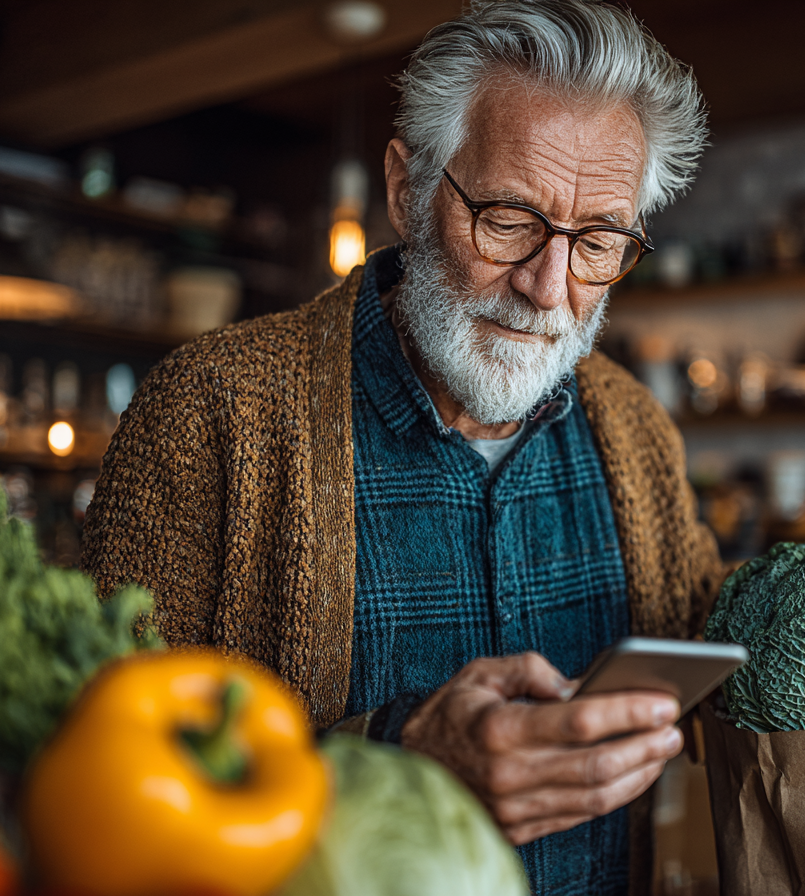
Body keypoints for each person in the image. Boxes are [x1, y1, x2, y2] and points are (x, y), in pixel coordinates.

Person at [81, 1, 723, 893]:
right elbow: (94, 777)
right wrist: (398, 760)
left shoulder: (638, 433)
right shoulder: (213, 413)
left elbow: (711, 649)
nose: (549, 289)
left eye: (599, 241)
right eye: (508, 218)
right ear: (407, 186)